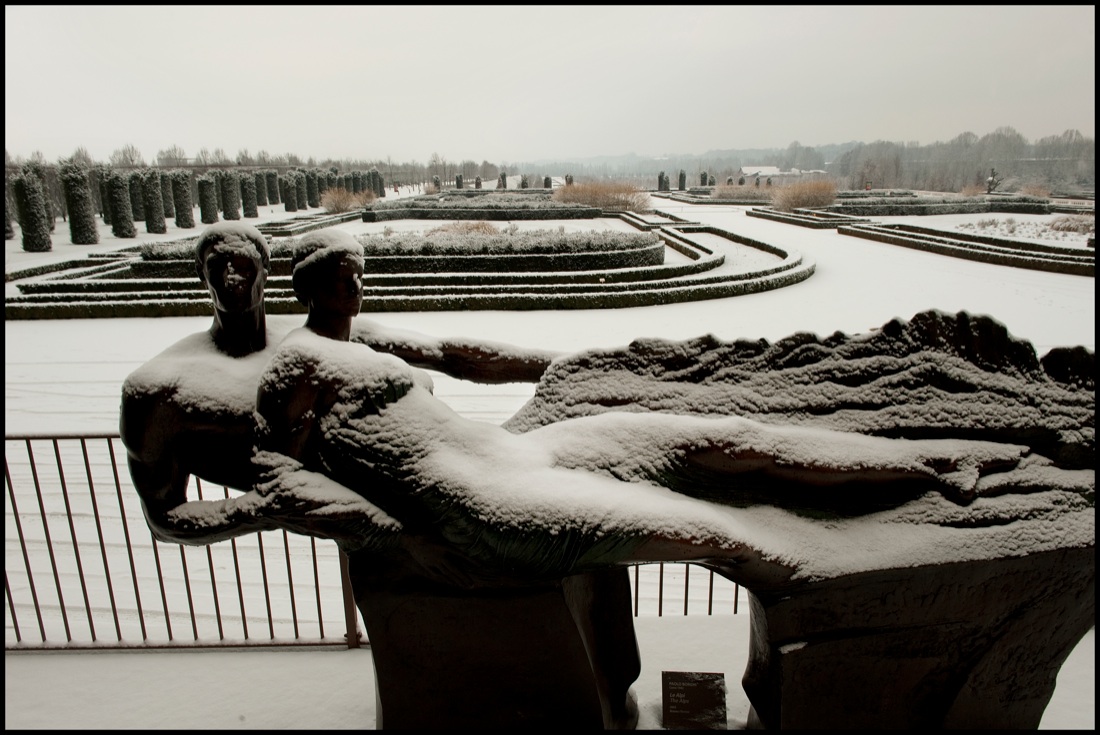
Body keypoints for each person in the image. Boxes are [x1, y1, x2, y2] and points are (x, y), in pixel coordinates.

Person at [241, 231, 1031, 579]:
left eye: (357, 273)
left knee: (733, 437)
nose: (354, 285)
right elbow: (276, 470)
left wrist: (582, 364)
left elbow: (463, 357)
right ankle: (833, 568)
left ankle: (928, 462)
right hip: (479, 503)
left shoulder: (371, 340)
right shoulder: (301, 363)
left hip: (528, 456)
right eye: (340, 277)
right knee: (718, 530)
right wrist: (395, 534)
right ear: (309, 286)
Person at [120, 222, 562, 545]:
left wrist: (559, 363)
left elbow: (449, 354)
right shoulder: (158, 392)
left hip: (438, 467)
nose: (233, 279)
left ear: (267, 271)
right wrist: (263, 511)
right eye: (220, 267)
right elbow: (164, 518)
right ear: (202, 276)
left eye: (245, 265)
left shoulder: (329, 336)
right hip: (394, 517)